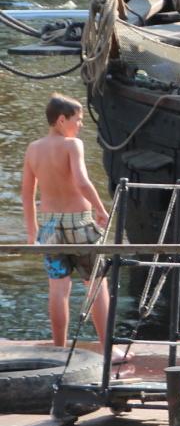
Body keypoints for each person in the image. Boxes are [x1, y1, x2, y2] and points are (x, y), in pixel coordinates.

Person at [22, 94, 115, 354]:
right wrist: (101, 209)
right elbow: (82, 182)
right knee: (96, 284)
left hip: (49, 227)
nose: (81, 124)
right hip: (80, 225)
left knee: (58, 287)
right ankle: (107, 348)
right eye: (78, 119)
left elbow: (27, 194)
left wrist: (32, 232)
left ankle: (58, 350)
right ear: (62, 120)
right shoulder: (72, 145)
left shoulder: (33, 149)